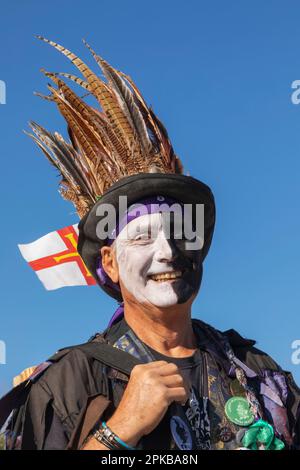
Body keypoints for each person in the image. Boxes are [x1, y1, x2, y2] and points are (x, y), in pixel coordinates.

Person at [0, 37, 299, 451]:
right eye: (141, 237)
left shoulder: (259, 371)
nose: (167, 251)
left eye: (180, 233)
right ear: (112, 262)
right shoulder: (70, 381)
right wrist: (117, 431)